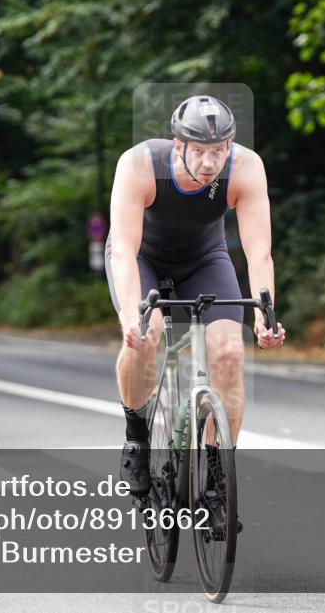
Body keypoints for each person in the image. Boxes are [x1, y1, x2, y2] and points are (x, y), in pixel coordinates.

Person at [105, 95, 286, 499]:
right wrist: (133, 320)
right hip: (142, 258)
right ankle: (136, 437)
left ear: (230, 145)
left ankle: (219, 481)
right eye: (199, 152)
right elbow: (123, 251)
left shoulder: (245, 167)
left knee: (229, 354)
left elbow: (259, 252)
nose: (209, 163)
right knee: (145, 337)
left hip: (204, 259)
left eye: (217, 151)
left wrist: (265, 313)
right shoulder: (140, 165)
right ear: (178, 144)